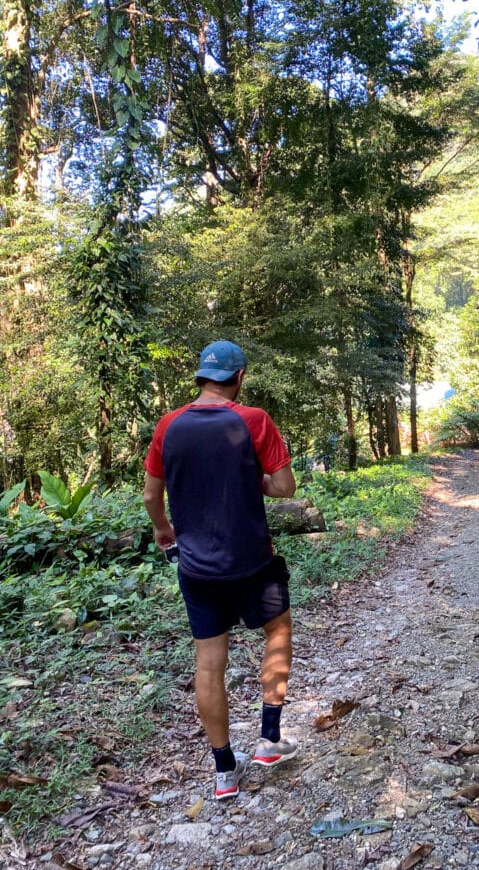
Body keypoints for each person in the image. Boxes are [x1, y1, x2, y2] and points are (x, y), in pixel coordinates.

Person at [143, 340, 299, 800]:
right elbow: (285, 487)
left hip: (197, 567)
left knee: (209, 664)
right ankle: (270, 740)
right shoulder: (253, 420)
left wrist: (163, 530)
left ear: (200, 376)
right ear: (240, 377)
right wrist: (254, 478)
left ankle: (224, 772)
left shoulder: (168, 426)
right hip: (252, 560)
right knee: (277, 631)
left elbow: (153, 496)